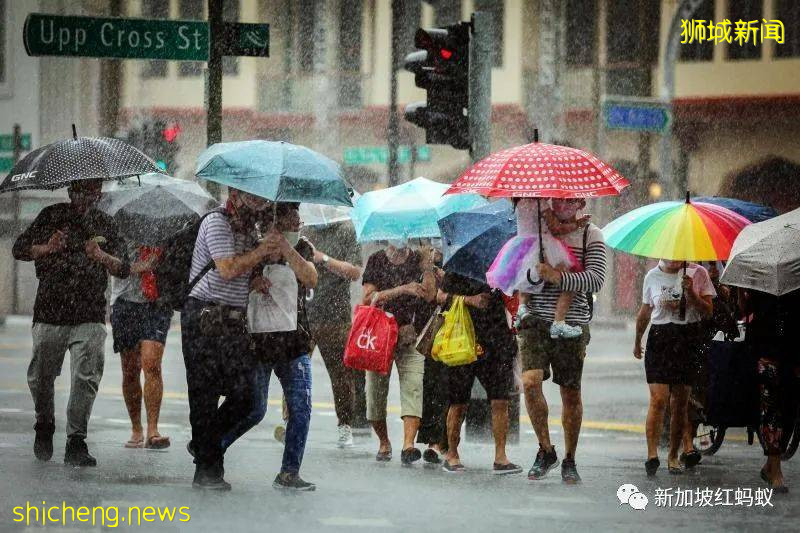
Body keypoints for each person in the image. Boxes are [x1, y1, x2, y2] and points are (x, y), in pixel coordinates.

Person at [12, 179, 129, 467]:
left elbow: (124, 267)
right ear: (69, 191)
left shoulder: (105, 223)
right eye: (80, 190)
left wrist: (100, 255)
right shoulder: (51, 215)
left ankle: (76, 440)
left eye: (92, 191)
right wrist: (48, 248)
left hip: (89, 313)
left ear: (99, 193)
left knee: (85, 377)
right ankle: (44, 423)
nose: (86, 197)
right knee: (41, 377)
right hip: (50, 311)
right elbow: (20, 249)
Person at [220, 202, 318, 491]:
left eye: (298, 216)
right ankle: (212, 447)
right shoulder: (252, 247)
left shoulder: (303, 247)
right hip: (258, 341)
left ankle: (289, 472)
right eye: (292, 215)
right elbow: (233, 279)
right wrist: (254, 279)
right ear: (277, 220)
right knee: (255, 408)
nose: (298, 219)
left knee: (301, 406)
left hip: (294, 342)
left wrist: (287, 250)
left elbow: (311, 277)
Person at [181, 188, 273, 490]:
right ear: (234, 195)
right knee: (204, 396)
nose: (258, 204)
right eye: (253, 198)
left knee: (245, 395)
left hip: (232, 320)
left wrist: (255, 280)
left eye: (260, 200)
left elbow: (240, 275)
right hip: (204, 317)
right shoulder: (216, 223)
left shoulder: (249, 230)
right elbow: (228, 268)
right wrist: (260, 252)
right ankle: (208, 472)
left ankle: (204, 445)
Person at [518, 197, 606, 484]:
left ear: (581, 201)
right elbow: (520, 269)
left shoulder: (591, 233)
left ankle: (570, 458)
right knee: (530, 382)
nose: (564, 203)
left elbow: (595, 280)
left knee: (570, 393)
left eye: (571, 199)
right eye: (560, 198)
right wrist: (533, 273)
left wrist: (559, 277)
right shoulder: (537, 227)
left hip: (572, 321)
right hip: (534, 319)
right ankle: (545, 450)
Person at [634, 260, 714, 476]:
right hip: (660, 338)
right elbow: (644, 311)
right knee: (658, 399)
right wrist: (637, 339)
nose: (673, 257)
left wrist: (692, 295)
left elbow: (708, 311)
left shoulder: (698, 273)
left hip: (687, 337)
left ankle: (673, 455)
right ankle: (652, 454)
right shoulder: (652, 276)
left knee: (679, 403)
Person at [437, 272, 522, 474]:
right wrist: (469, 300)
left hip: (497, 339)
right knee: (458, 400)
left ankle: (500, 457)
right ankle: (452, 453)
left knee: (500, 398)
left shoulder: (504, 266)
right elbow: (439, 296)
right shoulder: (460, 266)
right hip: (463, 337)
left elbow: (515, 297)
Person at [362, 240, 436, 464]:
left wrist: (428, 267)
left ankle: (408, 445)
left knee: (413, 388)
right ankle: (384, 442)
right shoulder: (376, 259)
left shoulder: (417, 260)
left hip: (410, 337)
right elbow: (367, 299)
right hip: (380, 338)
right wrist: (401, 289)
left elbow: (430, 295)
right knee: (375, 394)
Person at [487, 198, 591, 339]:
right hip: (541, 244)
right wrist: (577, 224)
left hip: (521, 245)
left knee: (525, 278)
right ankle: (559, 322)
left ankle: (521, 310)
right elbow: (556, 228)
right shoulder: (540, 203)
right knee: (569, 280)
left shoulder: (519, 201)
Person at [302, 221, 364, 447]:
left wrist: (324, 259)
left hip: (335, 317)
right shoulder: (303, 230)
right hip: (304, 315)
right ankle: (292, 422)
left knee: (341, 375)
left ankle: (345, 425)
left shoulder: (347, 231)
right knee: (295, 372)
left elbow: (355, 272)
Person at [111, 243, 172, 450]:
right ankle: (136, 429)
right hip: (125, 302)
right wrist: (140, 266)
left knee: (151, 364)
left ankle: (153, 429)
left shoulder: (168, 228)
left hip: (157, 301)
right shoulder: (119, 228)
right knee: (130, 370)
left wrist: (161, 264)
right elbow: (110, 264)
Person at [741, 288, 800, 493]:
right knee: (773, 413)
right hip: (767, 356)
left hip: (792, 357)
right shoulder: (760, 286)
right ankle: (776, 472)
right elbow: (746, 314)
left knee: (790, 413)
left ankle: (769, 466)